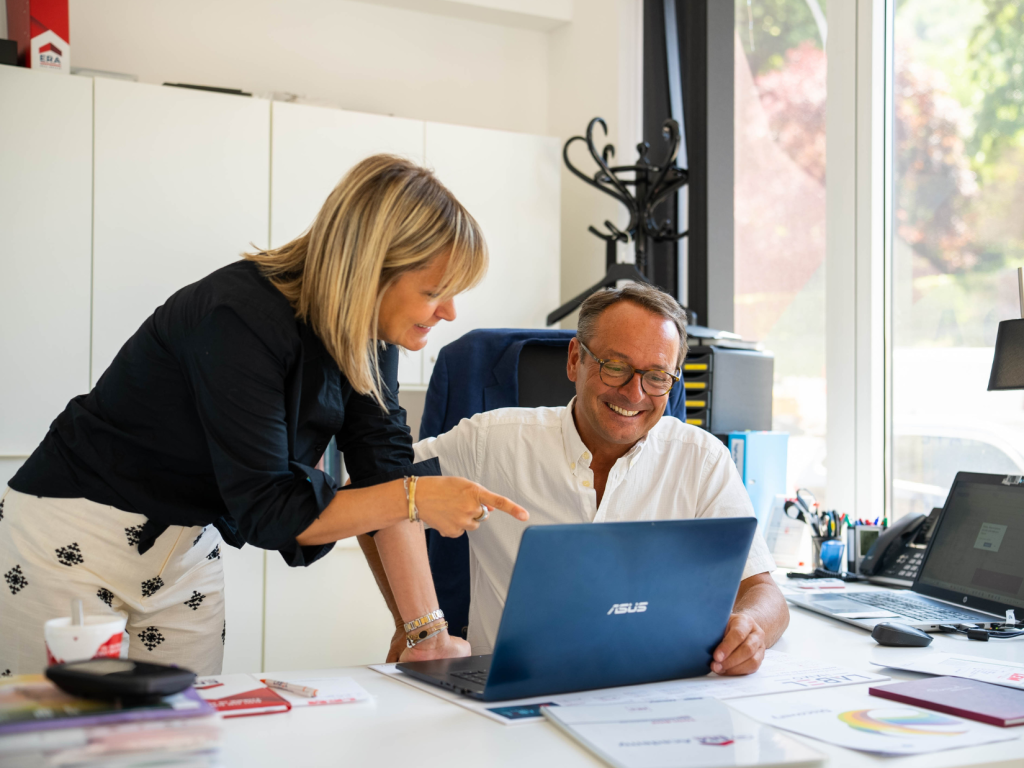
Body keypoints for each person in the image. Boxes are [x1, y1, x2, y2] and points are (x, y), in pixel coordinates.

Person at [0, 154, 528, 677]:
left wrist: (426, 636)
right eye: (435, 292)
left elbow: (384, 471)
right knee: (67, 747)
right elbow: (270, 511)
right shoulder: (237, 316)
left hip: (183, 547)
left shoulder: (369, 332)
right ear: (370, 271)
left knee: (184, 742)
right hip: (73, 535)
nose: (451, 312)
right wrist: (418, 497)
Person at [363, 282, 788, 675]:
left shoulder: (702, 459)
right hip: (511, 695)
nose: (634, 393)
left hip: (652, 692)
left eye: (656, 376)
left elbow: (766, 594)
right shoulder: (490, 441)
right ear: (574, 360)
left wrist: (751, 628)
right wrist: (410, 621)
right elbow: (372, 493)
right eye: (615, 366)